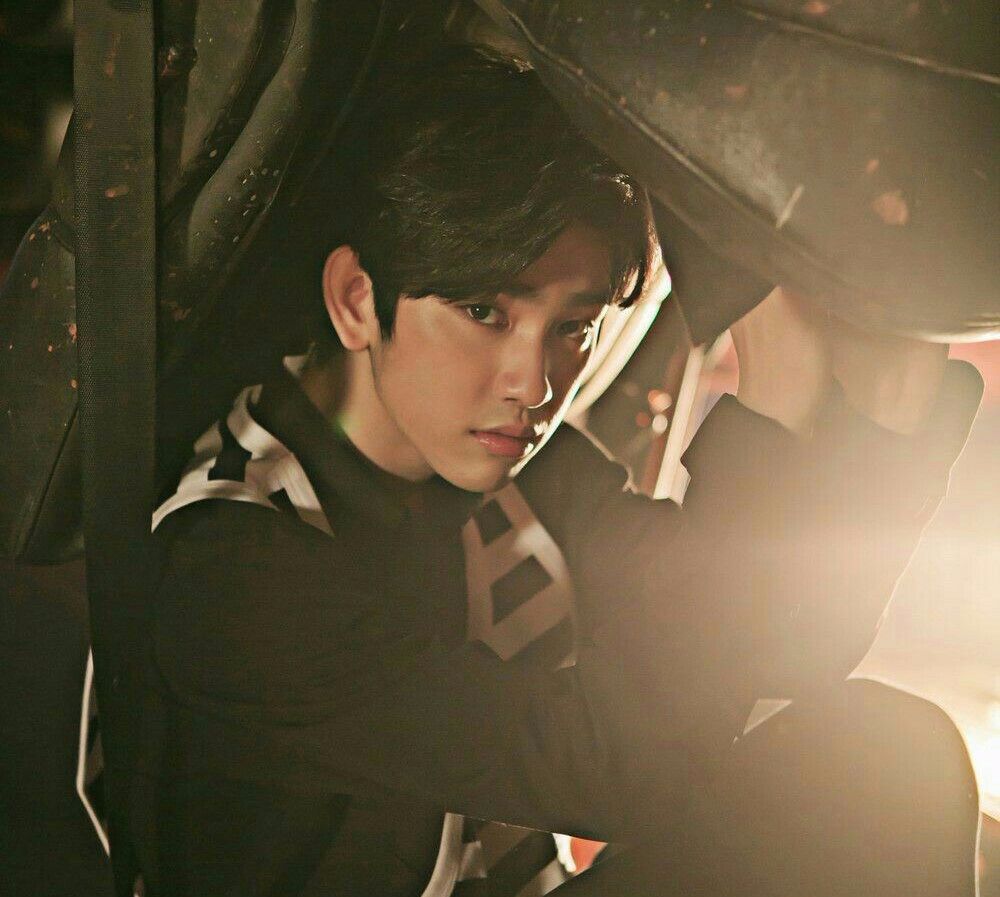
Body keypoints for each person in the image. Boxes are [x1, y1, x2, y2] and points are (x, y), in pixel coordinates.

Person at [129, 45, 982, 895]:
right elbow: (622, 774)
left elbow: (778, 644)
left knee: (885, 758)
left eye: (572, 327)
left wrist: (896, 407)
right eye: (483, 311)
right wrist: (769, 404)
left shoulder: (520, 461)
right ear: (358, 300)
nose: (533, 383)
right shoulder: (233, 569)